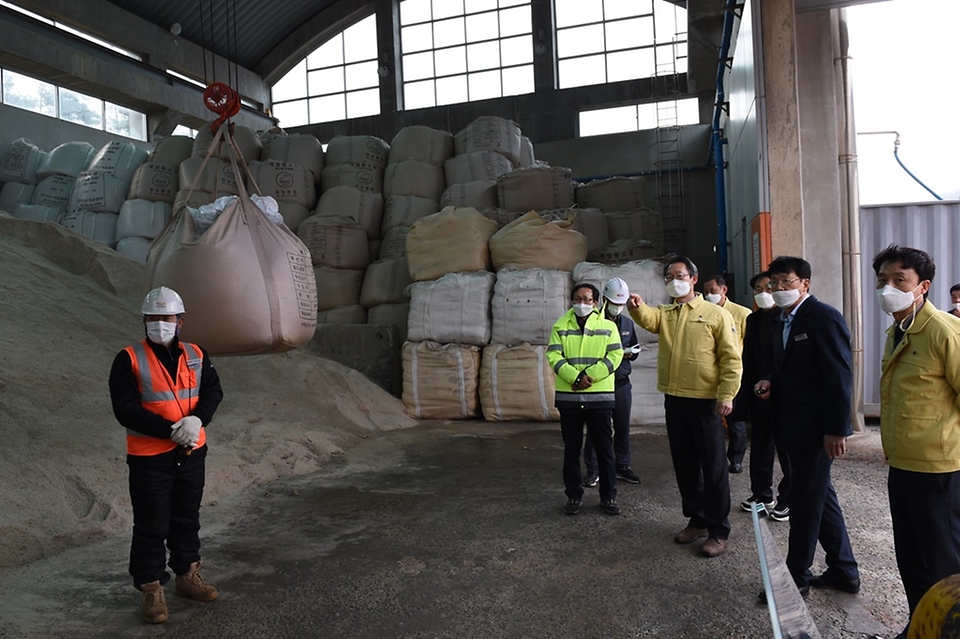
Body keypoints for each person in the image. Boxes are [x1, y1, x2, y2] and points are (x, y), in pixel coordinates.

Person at [109, 286, 224, 624]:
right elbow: (125, 409)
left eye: (167, 317)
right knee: (151, 524)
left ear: (180, 321)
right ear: (144, 321)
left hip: (192, 453)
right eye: (154, 318)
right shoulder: (128, 358)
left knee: (187, 517)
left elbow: (213, 391)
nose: (160, 323)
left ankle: (188, 576)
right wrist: (171, 429)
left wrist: (198, 419)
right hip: (150, 458)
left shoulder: (197, 354)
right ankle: (151, 588)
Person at [753, 256, 859, 603]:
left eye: (786, 282)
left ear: (805, 284)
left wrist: (836, 429)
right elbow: (788, 369)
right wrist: (770, 381)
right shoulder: (781, 320)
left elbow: (839, 377)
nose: (778, 289)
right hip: (791, 424)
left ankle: (795, 578)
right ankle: (844, 570)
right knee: (818, 495)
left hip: (817, 431)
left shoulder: (824, 317)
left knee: (805, 501)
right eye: (774, 284)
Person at [627, 256, 742, 557]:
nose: (673, 280)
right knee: (686, 464)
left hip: (705, 401)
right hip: (674, 398)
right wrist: (637, 307)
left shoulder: (715, 314)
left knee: (714, 467)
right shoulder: (667, 313)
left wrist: (726, 395)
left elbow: (731, 358)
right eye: (668, 277)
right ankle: (697, 520)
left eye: (679, 275)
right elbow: (649, 319)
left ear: (693, 279)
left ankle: (719, 529)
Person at [872, 245, 960, 639]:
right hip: (902, 466)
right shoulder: (897, 330)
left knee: (944, 568)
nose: (887, 288)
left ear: (922, 286)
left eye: (898, 280)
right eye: (882, 280)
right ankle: (919, 630)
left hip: (938, 472)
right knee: (912, 561)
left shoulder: (943, 331)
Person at [547, 283, 624, 517]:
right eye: (577, 299)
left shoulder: (608, 327)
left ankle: (608, 496)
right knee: (571, 449)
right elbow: (553, 354)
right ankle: (573, 495)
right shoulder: (560, 325)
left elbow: (616, 354)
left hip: (599, 398)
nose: (582, 303)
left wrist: (589, 376)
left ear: (596, 303)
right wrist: (576, 377)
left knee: (604, 450)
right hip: (569, 399)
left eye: (587, 300)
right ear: (571, 300)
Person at [735, 271, 792, 522]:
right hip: (759, 395)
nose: (763, 293)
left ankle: (788, 499)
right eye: (758, 289)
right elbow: (749, 358)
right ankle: (761, 495)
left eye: (768, 287)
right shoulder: (754, 320)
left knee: (787, 450)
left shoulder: (787, 319)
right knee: (760, 448)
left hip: (783, 395)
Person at [583, 278, 641, 488]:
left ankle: (622, 465)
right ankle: (593, 469)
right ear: (604, 300)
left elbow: (634, 348)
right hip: (600, 383)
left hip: (622, 382)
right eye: (614, 303)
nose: (618, 307)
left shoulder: (627, 323)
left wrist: (629, 354)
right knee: (598, 428)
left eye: (621, 303)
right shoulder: (592, 322)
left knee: (623, 427)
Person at [702, 274, 752, 474]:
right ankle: (714, 458)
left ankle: (736, 458)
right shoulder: (703, 312)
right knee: (710, 421)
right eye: (706, 292)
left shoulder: (742, 314)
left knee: (735, 422)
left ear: (724, 290)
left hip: (732, 375)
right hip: (708, 375)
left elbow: (750, 346)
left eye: (712, 291)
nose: (708, 295)